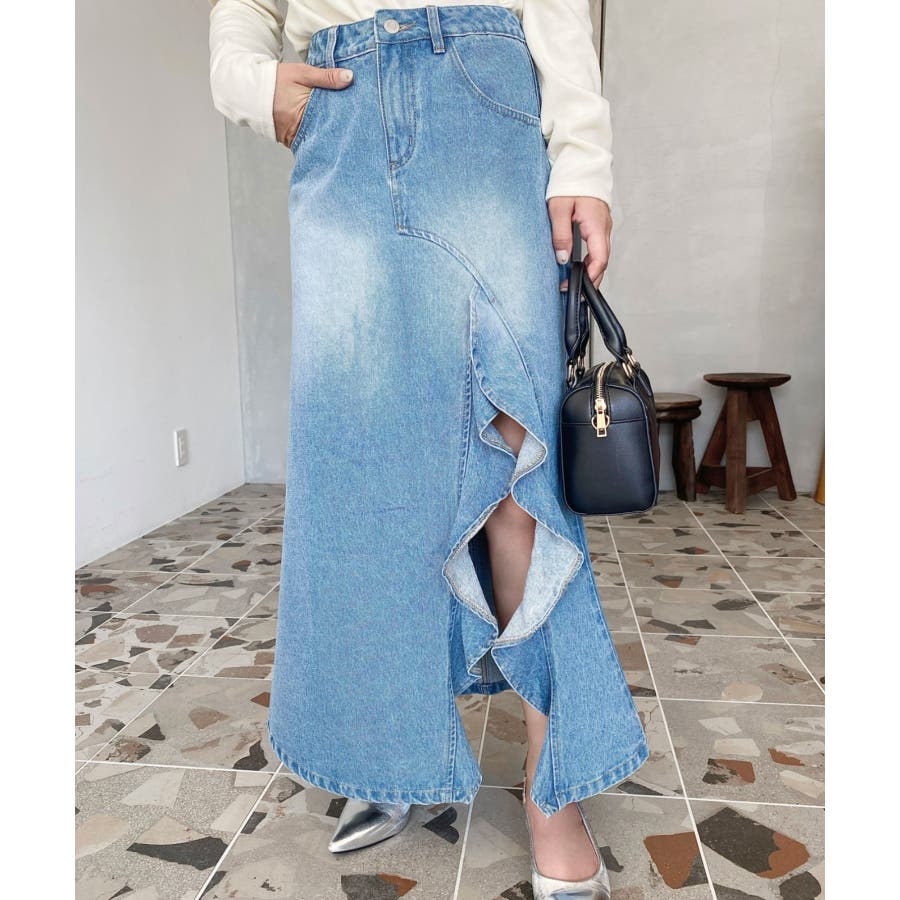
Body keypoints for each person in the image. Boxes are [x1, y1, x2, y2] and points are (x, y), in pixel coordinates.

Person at [208, 3, 648, 896]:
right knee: (368, 474)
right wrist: (251, 84)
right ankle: (389, 749)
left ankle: (554, 793)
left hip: (484, 98)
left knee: (517, 476)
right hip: (343, 116)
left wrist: (583, 160)